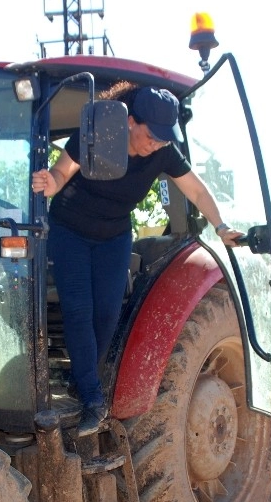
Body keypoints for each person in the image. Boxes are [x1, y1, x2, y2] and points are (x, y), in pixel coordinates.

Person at [31, 84, 243, 435]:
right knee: (79, 310)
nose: (156, 143)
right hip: (70, 230)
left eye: (164, 138)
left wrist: (221, 226)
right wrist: (50, 183)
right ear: (130, 121)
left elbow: (196, 189)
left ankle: (79, 379)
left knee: (109, 312)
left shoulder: (162, 153)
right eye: (152, 135)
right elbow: (61, 172)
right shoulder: (97, 134)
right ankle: (92, 397)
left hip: (113, 235)